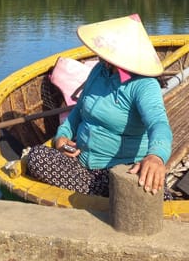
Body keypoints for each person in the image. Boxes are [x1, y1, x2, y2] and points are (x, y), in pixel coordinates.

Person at [27, 14, 172, 197]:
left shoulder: (144, 85)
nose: (100, 53)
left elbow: (158, 124)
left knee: (146, 193)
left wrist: (156, 157)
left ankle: (104, 195)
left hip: (121, 172)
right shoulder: (99, 71)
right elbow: (78, 111)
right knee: (37, 157)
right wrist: (61, 138)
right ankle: (102, 196)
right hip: (82, 164)